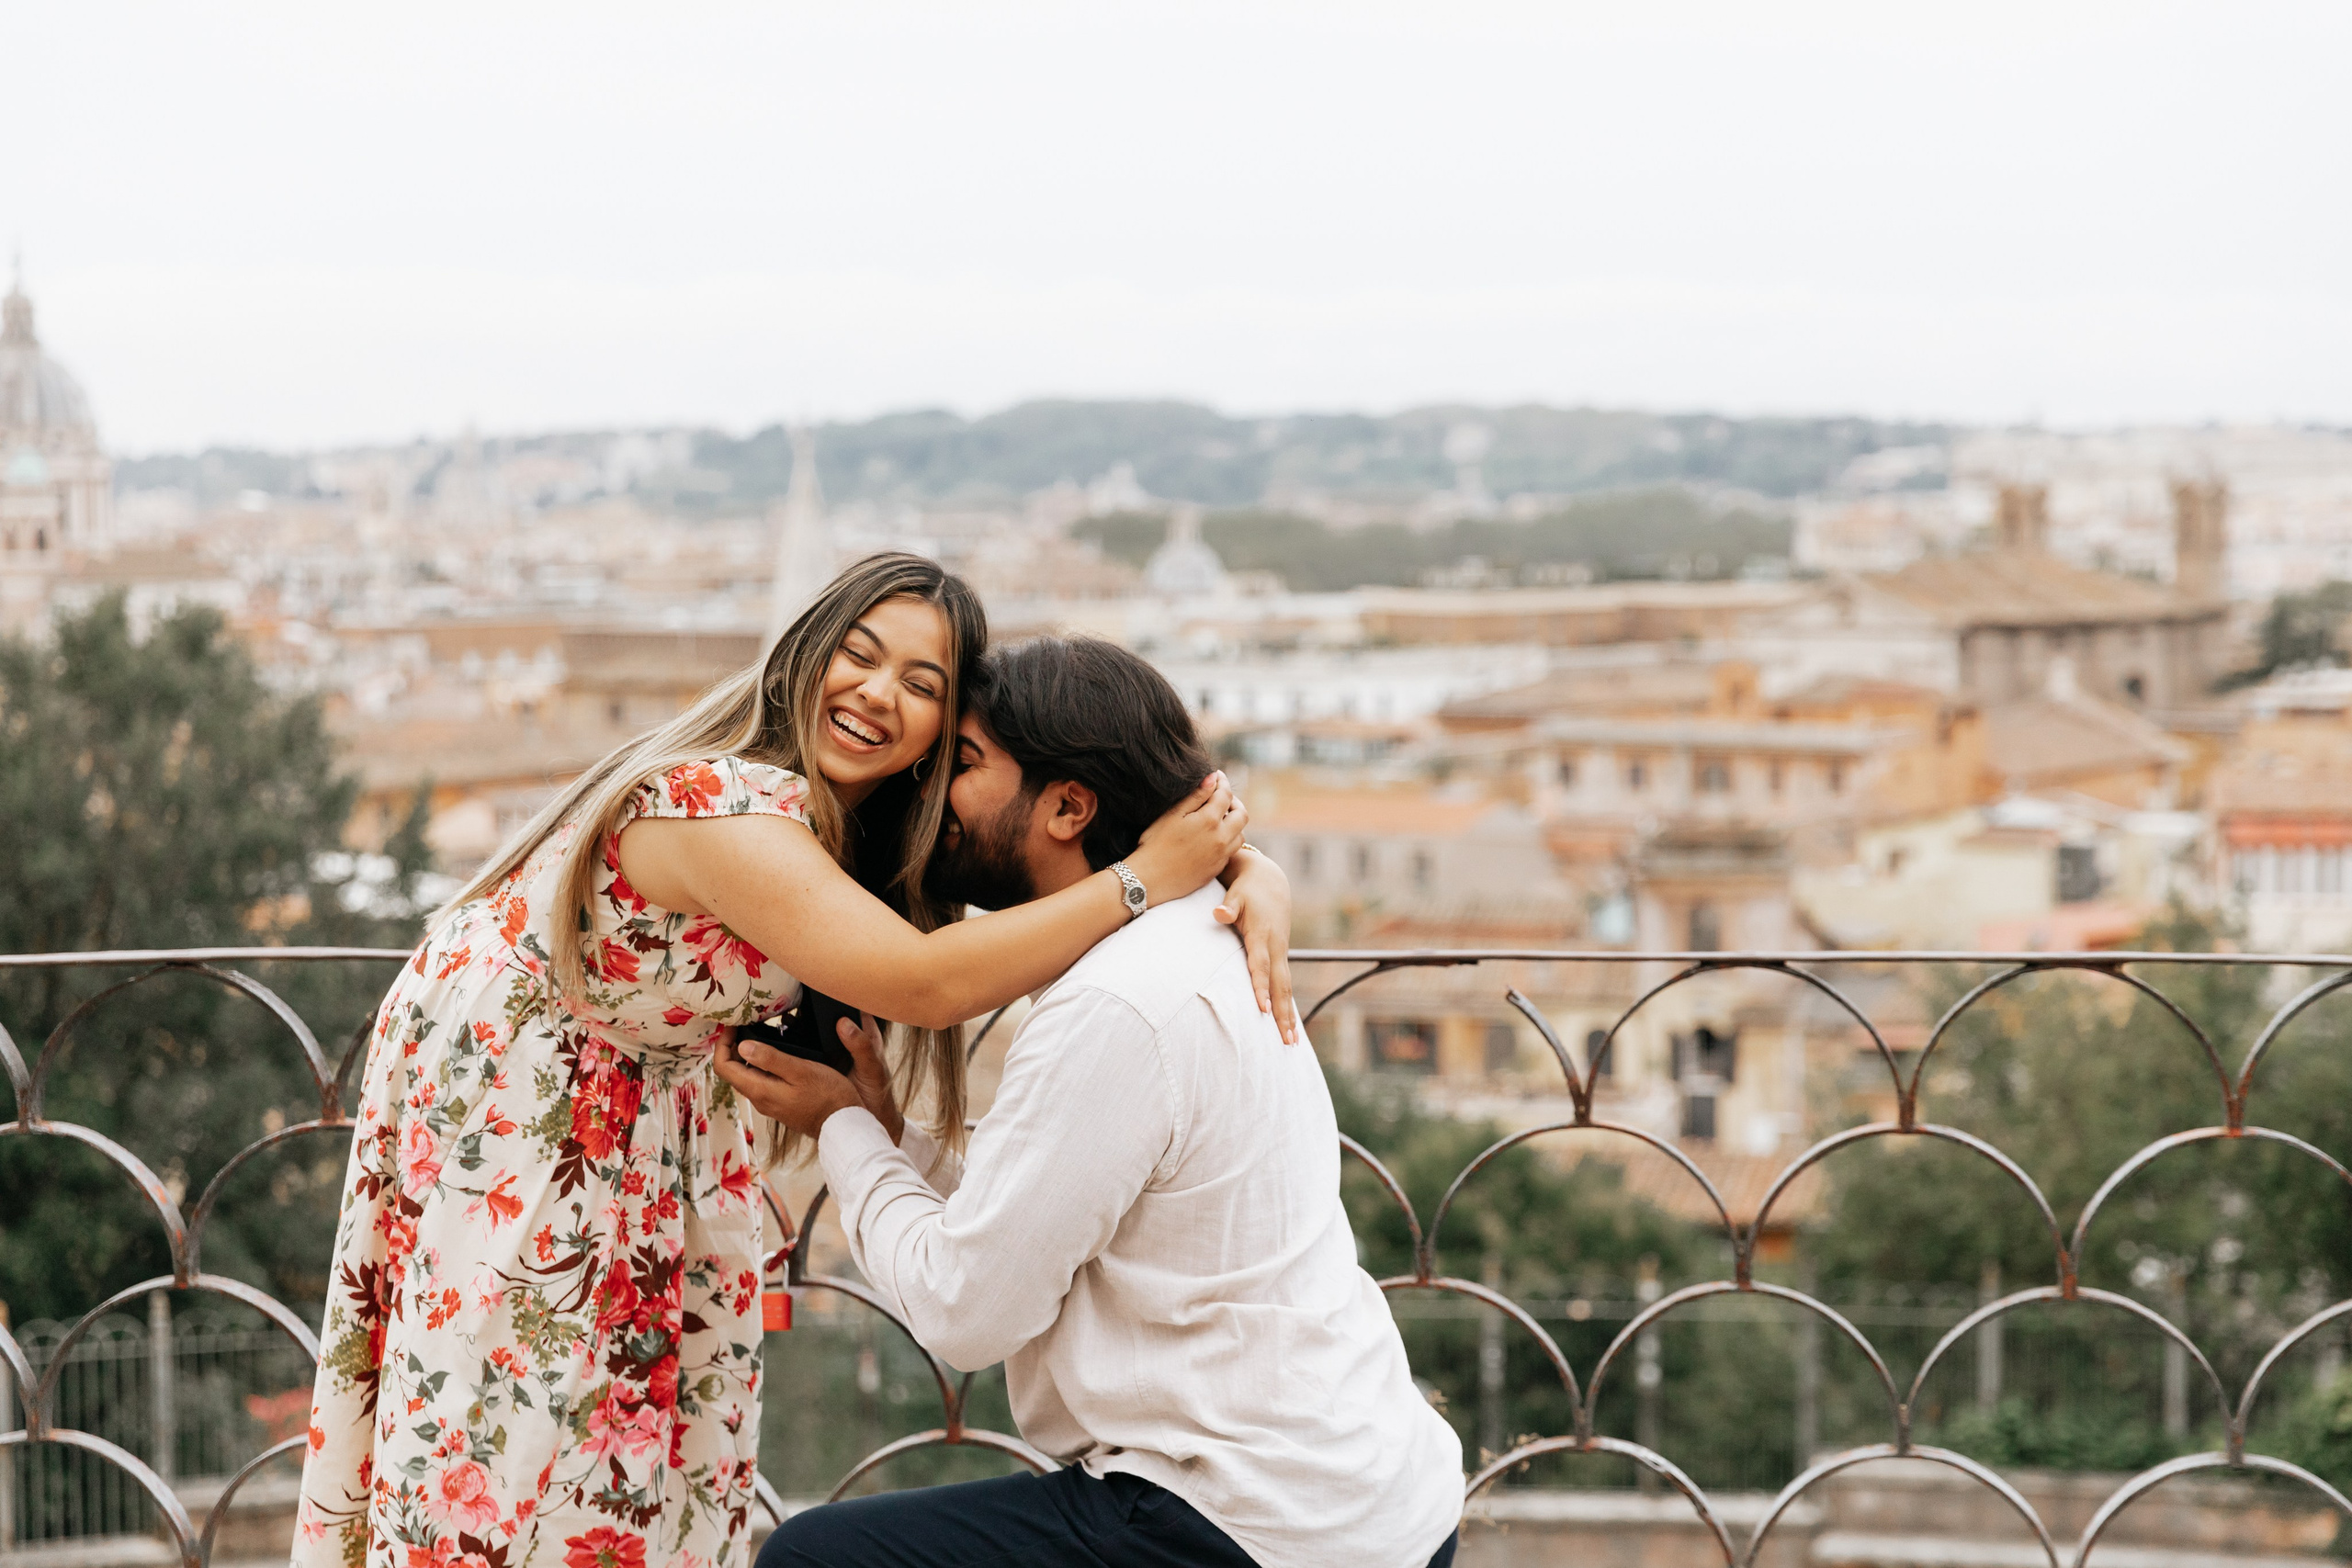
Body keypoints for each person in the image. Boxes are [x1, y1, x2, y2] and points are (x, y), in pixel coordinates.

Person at [295, 556, 1295, 1568]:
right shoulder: (720, 805)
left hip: (649, 1118)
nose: (877, 692)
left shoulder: (849, 828)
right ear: (805, 654)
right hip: (531, 1117)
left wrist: (1242, 867)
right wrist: (1144, 880)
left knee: (645, 1470)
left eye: (921, 685)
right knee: (517, 1452)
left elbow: (1126, 798)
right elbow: (922, 980)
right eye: (859, 655)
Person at [720, 636, 1464, 1568]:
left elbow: (966, 1314)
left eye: (963, 767)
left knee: (819, 1558)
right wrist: (887, 1135)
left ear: (1068, 807)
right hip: (1368, 1498)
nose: (931, 794)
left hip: (1250, 1522)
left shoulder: (1115, 1003)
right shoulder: (1190, 933)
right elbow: (1049, 1208)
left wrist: (843, 1133)